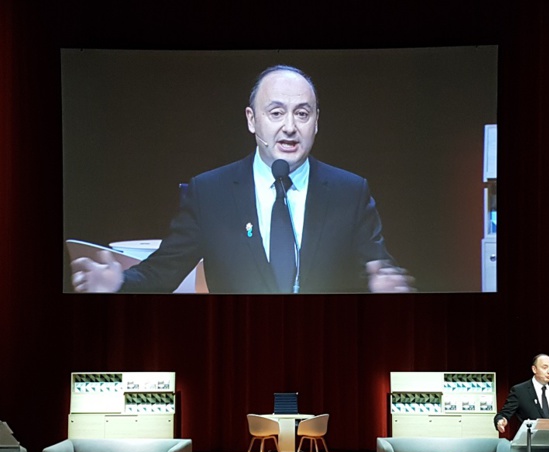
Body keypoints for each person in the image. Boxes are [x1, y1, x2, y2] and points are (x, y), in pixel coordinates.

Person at [70, 64, 414, 294]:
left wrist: (383, 287)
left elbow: (378, 270)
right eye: (276, 113)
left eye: (303, 114)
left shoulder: (349, 192)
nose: (290, 127)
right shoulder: (210, 193)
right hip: (237, 349)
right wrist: (118, 282)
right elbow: (162, 272)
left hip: (325, 349)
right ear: (252, 120)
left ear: (317, 121)